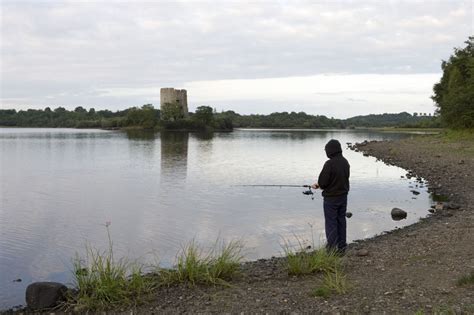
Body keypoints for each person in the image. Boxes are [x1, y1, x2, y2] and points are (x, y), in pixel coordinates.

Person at [312, 139, 350, 254]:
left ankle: (331, 249)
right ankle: (342, 247)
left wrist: (317, 185)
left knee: (331, 222)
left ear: (330, 151)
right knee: (341, 221)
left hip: (331, 199)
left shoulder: (329, 164)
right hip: (343, 196)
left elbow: (323, 183)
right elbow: (341, 178)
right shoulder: (345, 162)